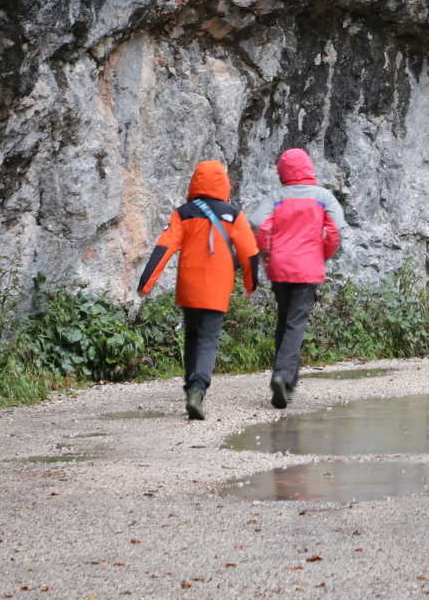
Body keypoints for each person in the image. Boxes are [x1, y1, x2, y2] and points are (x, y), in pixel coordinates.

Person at [136, 159, 260, 420]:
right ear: (224, 183)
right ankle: (198, 388)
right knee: (208, 338)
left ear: (195, 182)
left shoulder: (183, 213)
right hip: (217, 288)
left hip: (189, 287)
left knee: (192, 336)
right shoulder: (233, 214)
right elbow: (250, 254)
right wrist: (251, 284)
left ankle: (190, 386)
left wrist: (145, 283)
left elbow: (163, 249)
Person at [255, 148, 345, 409]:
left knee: (284, 322)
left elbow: (259, 222)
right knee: (296, 324)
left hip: (280, 267)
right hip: (308, 268)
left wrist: (264, 252)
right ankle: (282, 376)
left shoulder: (276, 197)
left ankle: (288, 385)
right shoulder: (322, 196)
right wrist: (324, 253)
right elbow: (336, 228)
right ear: (308, 169)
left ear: (283, 172)